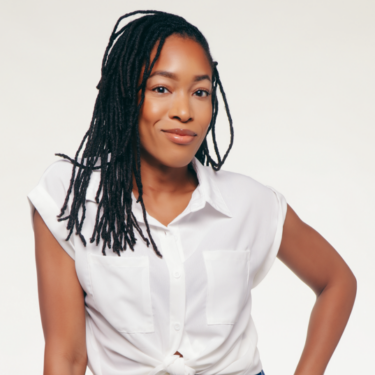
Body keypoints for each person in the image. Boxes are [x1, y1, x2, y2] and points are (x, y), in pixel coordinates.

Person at [28, 10, 356, 375]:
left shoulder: (250, 204)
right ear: (124, 95)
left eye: (200, 92)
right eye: (161, 89)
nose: (184, 111)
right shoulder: (70, 199)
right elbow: (66, 356)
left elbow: (337, 281)